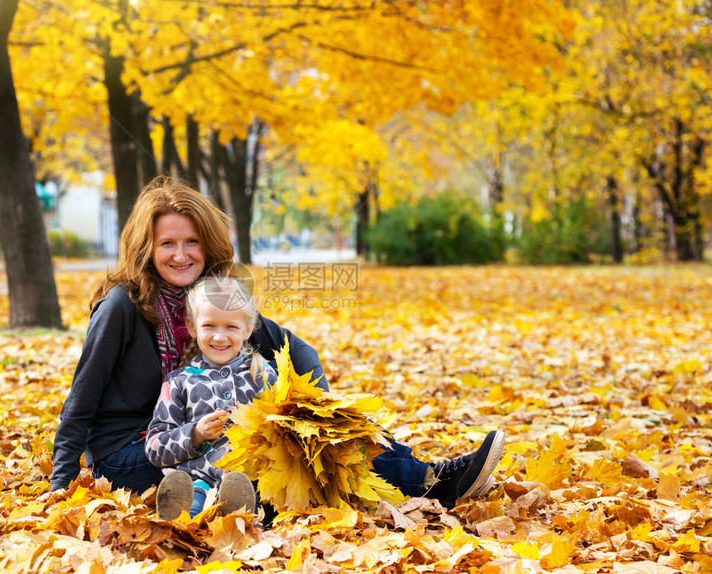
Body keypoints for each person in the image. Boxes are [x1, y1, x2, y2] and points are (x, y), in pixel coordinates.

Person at [50, 176, 504, 512]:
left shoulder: (214, 301)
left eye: (192, 241)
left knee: (319, 433)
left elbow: (297, 348)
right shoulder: (121, 308)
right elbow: (80, 402)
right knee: (274, 454)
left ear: (208, 245)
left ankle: (432, 476)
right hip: (134, 451)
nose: (181, 254)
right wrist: (61, 489)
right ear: (145, 247)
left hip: (209, 440)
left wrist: (319, 409)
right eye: (167, 242)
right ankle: (425, 483)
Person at [145, 276, 274, 519]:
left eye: (231, 327)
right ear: (192, 327)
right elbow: (154, 447)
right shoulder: (179, 381)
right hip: (196, 481)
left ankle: (240, 521)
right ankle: (181, 525)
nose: (219, 337)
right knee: (190, 509)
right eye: (209, 326)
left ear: (248, 329)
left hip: (249, 476)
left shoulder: (262, 375)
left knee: (245, 495)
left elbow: (285, 425)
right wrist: (194, 434)